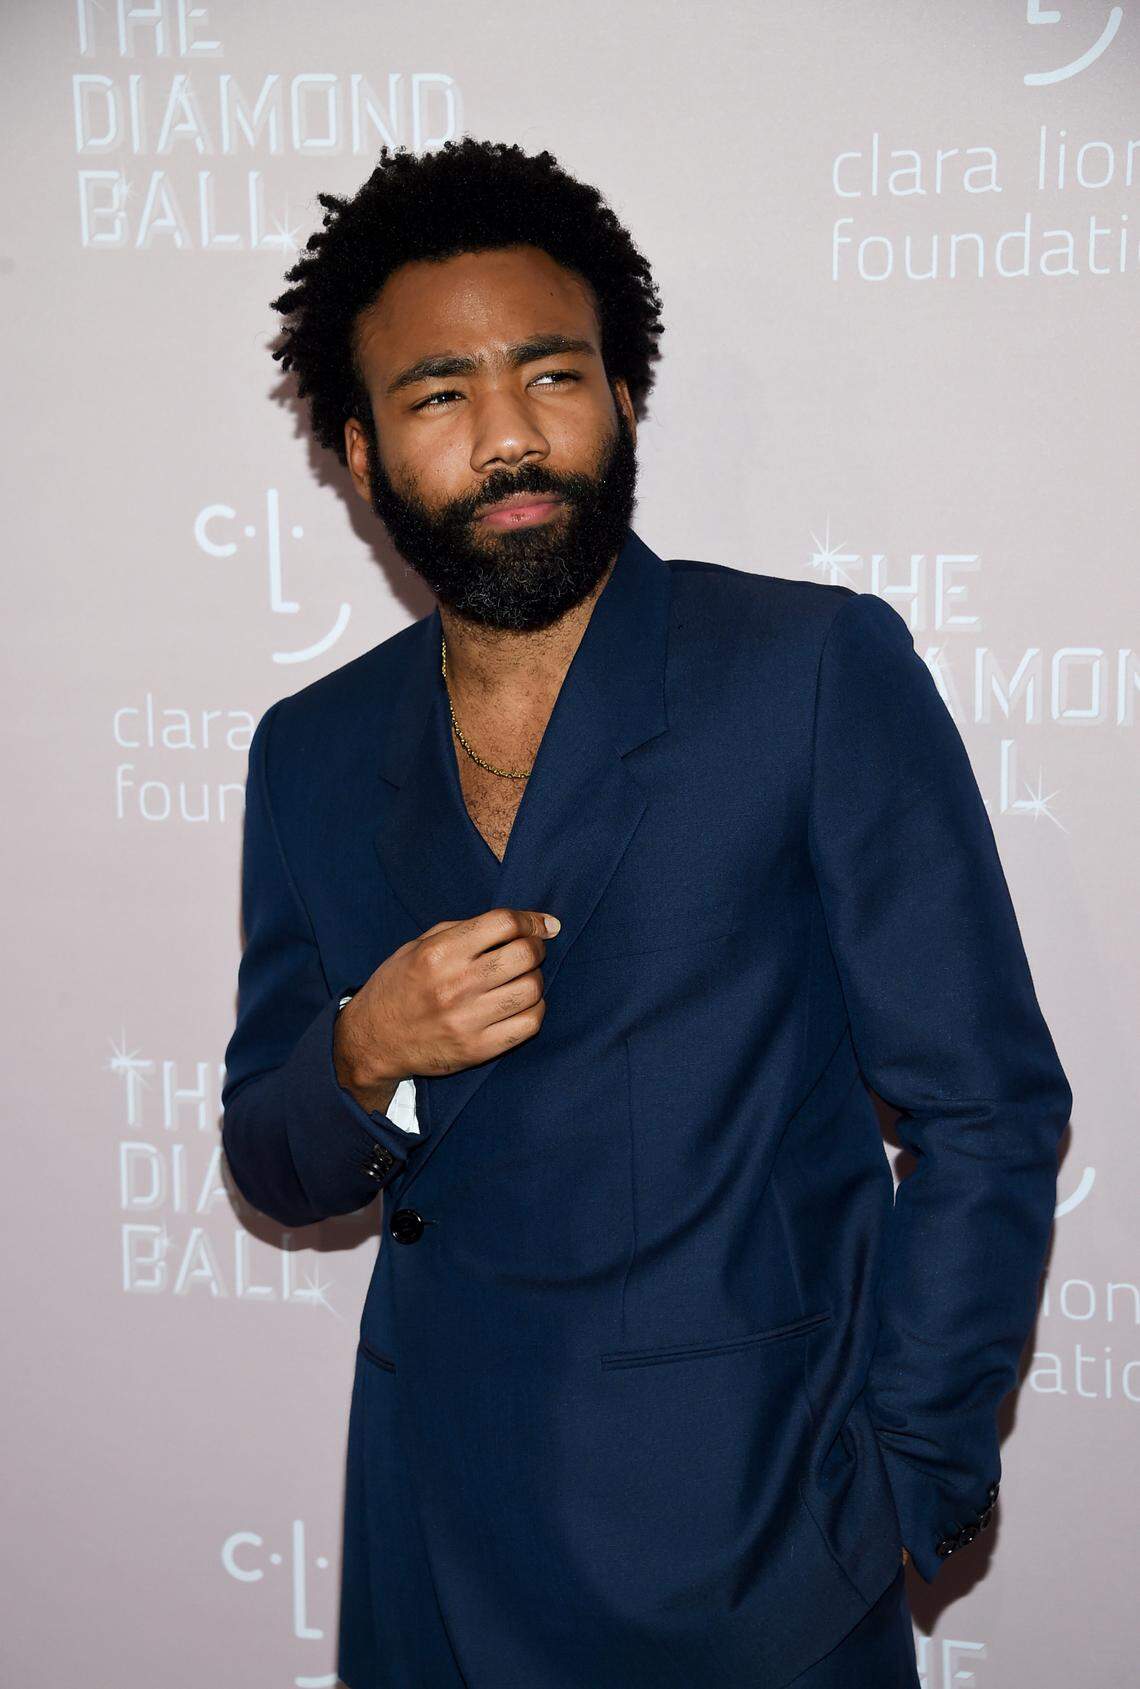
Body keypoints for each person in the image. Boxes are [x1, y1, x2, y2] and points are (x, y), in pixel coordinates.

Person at [221, 137, 1073, 1689]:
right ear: (357, 453)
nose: (507, 438)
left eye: (550, 377)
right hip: (436, 1542)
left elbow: (990, 1106)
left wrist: (897, 1486)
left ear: (622, 398)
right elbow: (271, 1152)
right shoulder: (314, 751)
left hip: (759, 1549)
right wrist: (364, 1054)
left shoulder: (806, 671)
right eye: (438, 398)